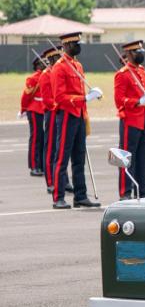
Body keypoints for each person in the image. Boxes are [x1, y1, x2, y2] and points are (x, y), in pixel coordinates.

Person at [50, 32, 101, 209]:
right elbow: (60, 97)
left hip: (79, 114)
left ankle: (80, 195)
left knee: (79, 158)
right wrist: (85, 98)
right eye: (74, 44)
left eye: (78, 43)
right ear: (65, 45)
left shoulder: (77, 65)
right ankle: (58, 197)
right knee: (62, 157)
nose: (77, 46)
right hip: (66, 115)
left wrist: (86, 102)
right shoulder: (59, 67)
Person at [114, 40, 145, 199]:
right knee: (127, 158)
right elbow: (119, 100)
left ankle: (142, 191)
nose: (141, 54)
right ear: (129, 54)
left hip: (143, 119)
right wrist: (137, 101)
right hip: (130, 120)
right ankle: (125, 192)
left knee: (142, 159)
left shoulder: (142, 71)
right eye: (137, 51)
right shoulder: (122, 74)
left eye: (141, 51)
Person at [39, 47, 62, 194]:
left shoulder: (60, 72)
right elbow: (47, 100)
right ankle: (50, 181)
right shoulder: (45, 75)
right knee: (51, 149)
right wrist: (60, 106)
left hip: (62, 112)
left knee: (61, 149)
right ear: (52, 59)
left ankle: (62, 180)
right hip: (53, 113)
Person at [20, 56, 46, 177]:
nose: (45, 64)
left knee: (43, 138)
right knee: (36, 138)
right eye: (42, 63)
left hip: (44, 109)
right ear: (37, 65)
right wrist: (23, 109)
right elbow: (26, 95)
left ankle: (41, 164)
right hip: (35, 110)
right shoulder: (33, 78)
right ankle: (34, 166)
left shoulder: (46, 75)